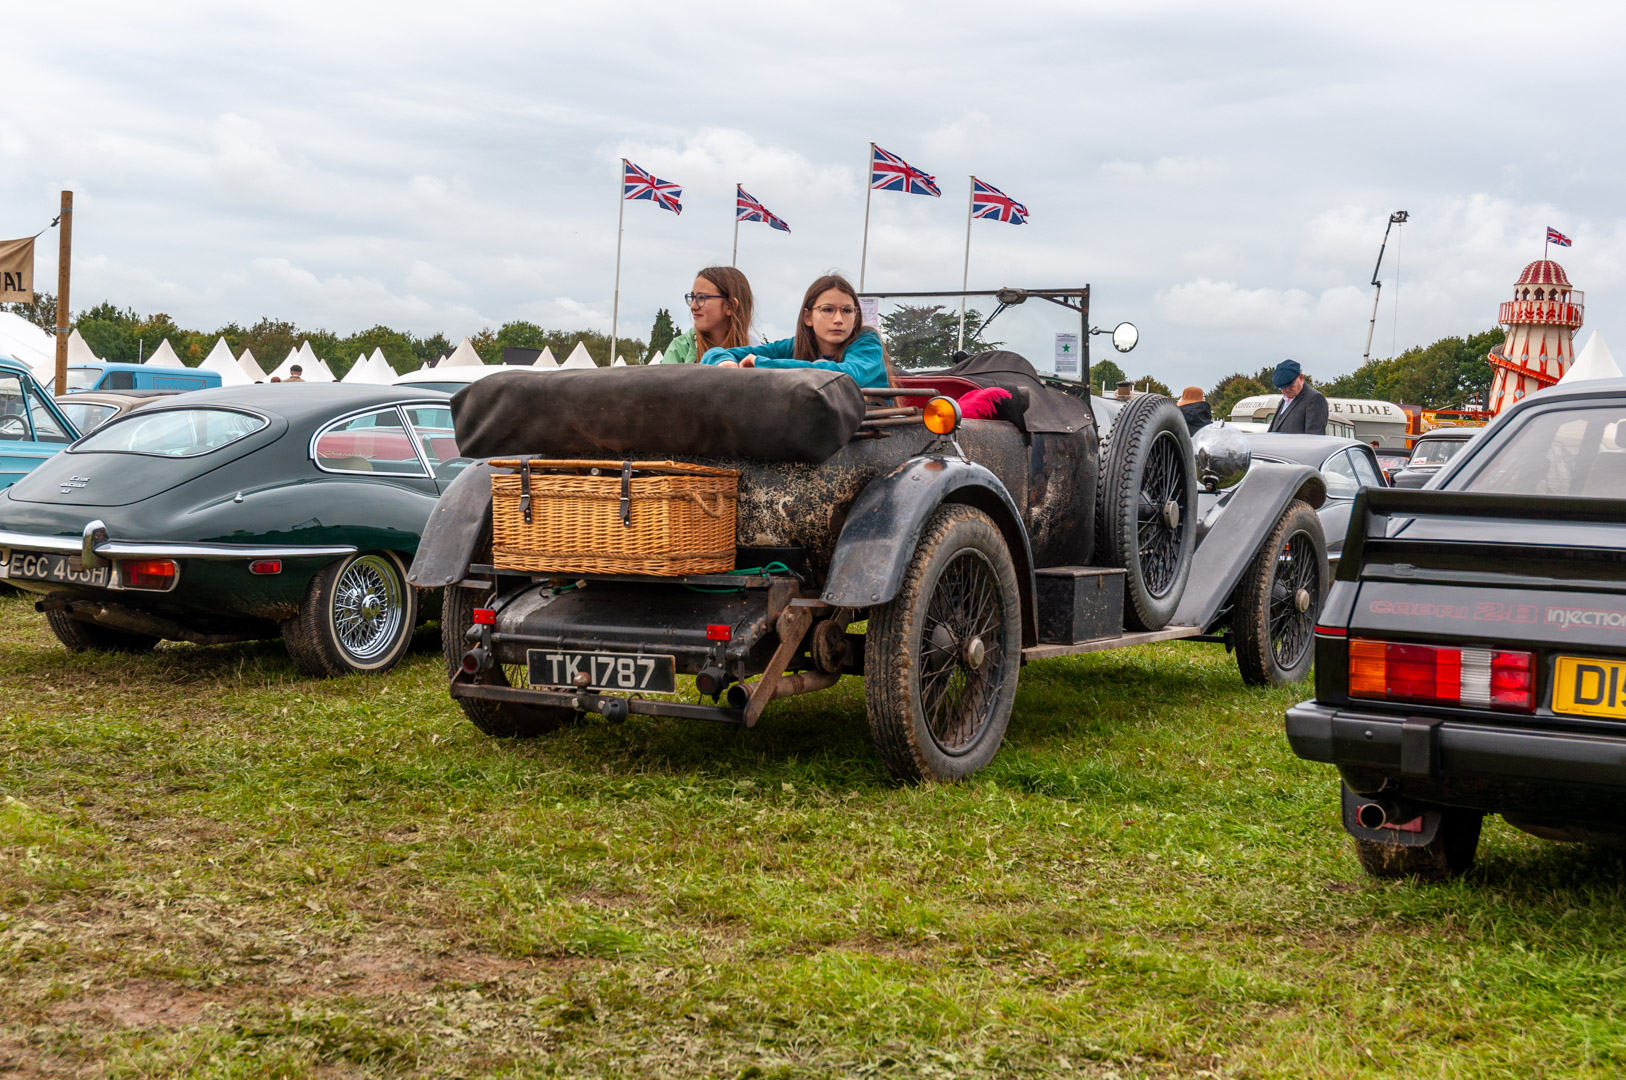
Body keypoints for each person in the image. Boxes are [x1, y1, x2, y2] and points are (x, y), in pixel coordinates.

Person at [700, 273, 888, 389]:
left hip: (871, 430)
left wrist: (764, 366)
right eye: (828, 310)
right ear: (808, 317)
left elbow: (848, 375)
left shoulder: (867, 341)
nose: (838, 319)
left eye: (847, 311)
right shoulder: (793, 346)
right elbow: (715, 353)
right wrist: (725, 363)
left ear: (856, 317)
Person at [661, 267, 754, 363]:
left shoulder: (755, 353)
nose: (693, 306)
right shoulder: (679, 351)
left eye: (702, 298)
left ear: (730, 306)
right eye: (692, 297)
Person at [1266, 359, 1328, 435]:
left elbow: (1314, 437)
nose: (1287, 390)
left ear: (1301, 378)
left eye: (1291, 385)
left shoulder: (1315, 399)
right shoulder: (1284, 400)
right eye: (1282, 387)